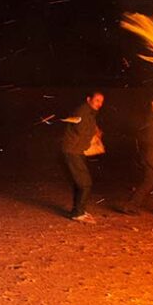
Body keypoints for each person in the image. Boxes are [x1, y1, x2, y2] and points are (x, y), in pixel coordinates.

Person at [60, 91, 105, 223]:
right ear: (88, 99)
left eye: (101, 102)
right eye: (97, 100)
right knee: (85, 183)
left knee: (79, 182)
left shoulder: (89, 113)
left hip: (78, 151)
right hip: (72, 151)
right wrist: (95, 137)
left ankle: (78, 210)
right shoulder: (82, 111)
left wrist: (96, 131)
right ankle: (78, 213)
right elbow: (81, 129)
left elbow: (88, 127)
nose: (99, 104)